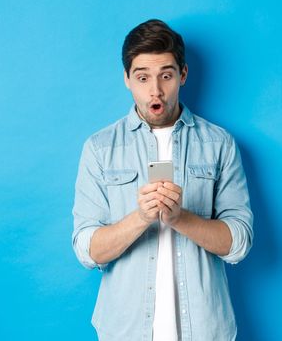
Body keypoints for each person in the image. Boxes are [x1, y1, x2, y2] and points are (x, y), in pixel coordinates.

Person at [72, 19, 253, 341]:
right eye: (142, 77)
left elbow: (238, 243)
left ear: (183, 75)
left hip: (205, 329)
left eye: (166, 76)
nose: (155, 90)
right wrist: (142, 217)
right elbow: (88, 251)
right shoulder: (99, 148)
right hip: (124, 330)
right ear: (127, 79)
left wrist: (179, 218)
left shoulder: (219, 143)